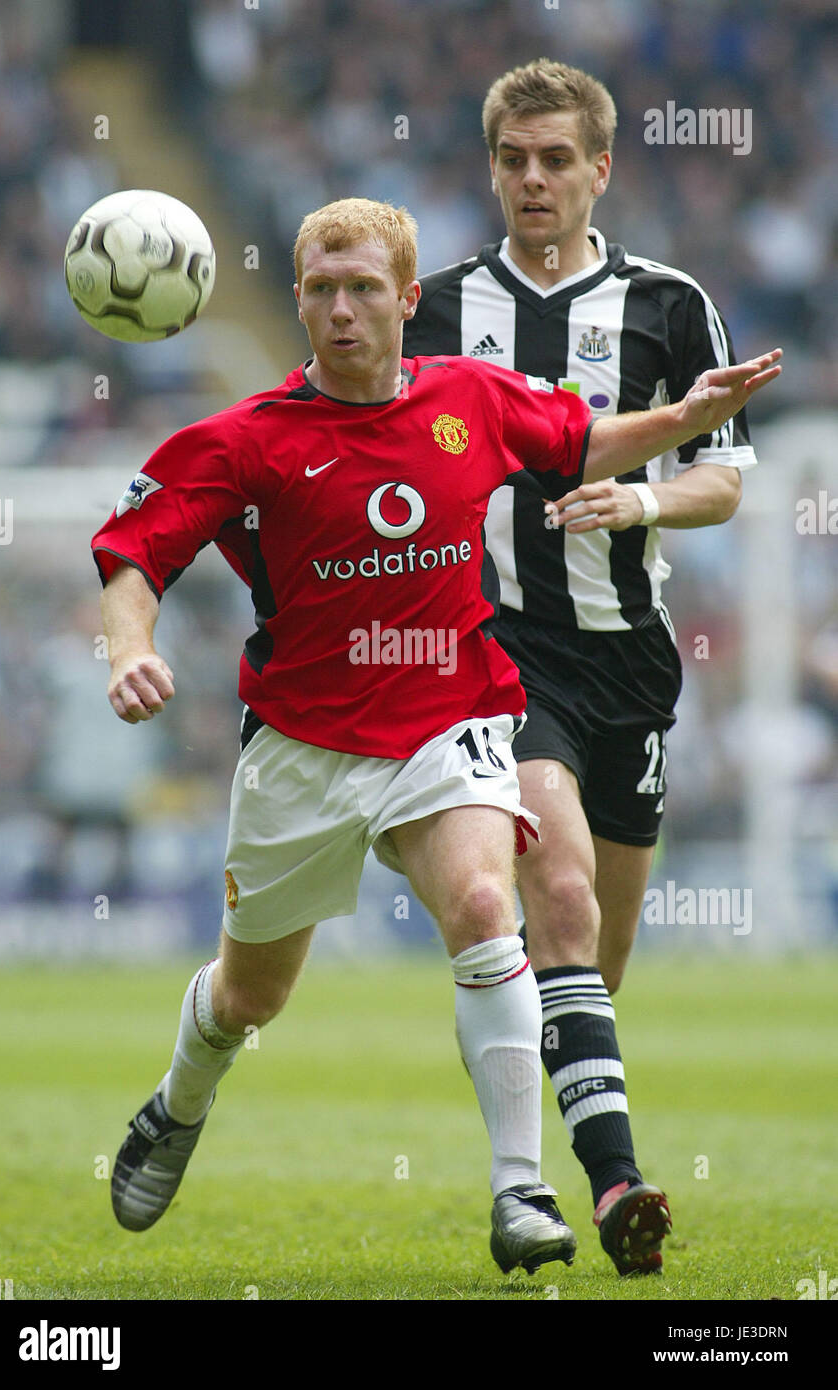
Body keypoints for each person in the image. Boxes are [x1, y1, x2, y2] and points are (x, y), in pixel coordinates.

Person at [92, 196, 779, 1277]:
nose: (341, 308)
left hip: (447, 713)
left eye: (363, 287)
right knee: (248, 995)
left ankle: (520, 1191)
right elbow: (136, 554)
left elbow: (584, 438)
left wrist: (686, 414)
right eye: (319, 288)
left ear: (408, 299)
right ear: (299, 300)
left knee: (477, 903)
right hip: (303, 744)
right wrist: (128, 646)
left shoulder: (468, 395)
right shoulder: (246, 439)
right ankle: (178, 1104)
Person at [403, 58, 764, 1274]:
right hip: (501, 654)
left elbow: (721, 480)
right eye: (512, 159)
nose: (532, 180)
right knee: (552, 901)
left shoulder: (668, 304)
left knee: (595, 961)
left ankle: (561, 1127)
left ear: (599, 168)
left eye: (556, 159)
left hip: (630, 662)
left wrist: (642, 498)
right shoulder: (438, 312)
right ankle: (611, 1189)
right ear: (491, 166)